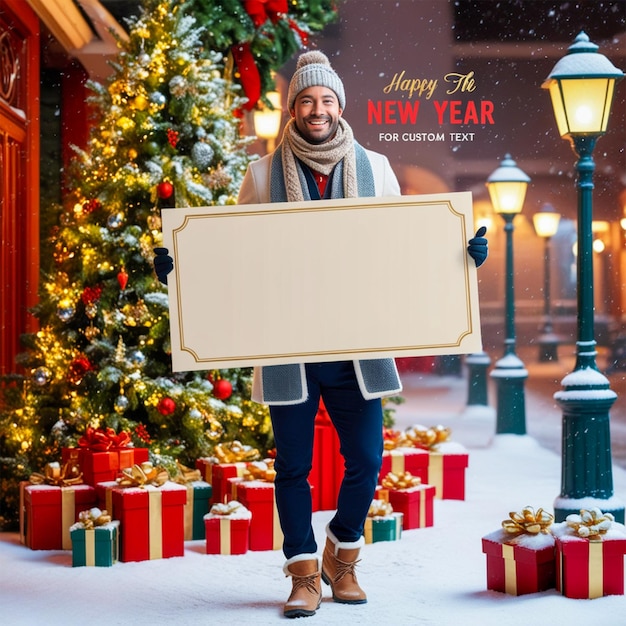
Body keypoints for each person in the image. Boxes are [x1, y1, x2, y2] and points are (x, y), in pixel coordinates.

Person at [154, 50, 488, 619]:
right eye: (306, 100)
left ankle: (342, 552)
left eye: (326, 100)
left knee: (366, 459)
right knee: (293, 467)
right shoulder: (261, 174)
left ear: (340, 106)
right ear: (293, 109)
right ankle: (304, 572)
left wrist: (459, 258)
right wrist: (183, 269)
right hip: (289, 348)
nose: (317, 109)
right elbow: (238, 256)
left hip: (358, 347)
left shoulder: (377, 167)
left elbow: (402, 248)